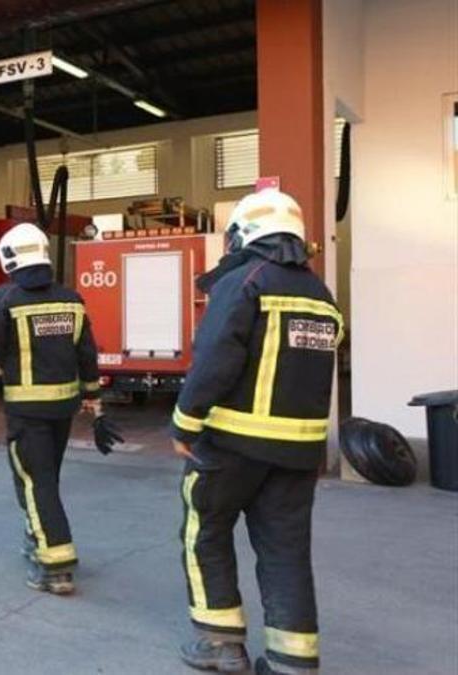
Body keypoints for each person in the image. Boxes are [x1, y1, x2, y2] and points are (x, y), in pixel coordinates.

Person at [170, 188, 342, 674]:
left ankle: (220, 643)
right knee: (286, 549)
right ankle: (294, 659)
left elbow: (215, 358)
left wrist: (184, 421)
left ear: (244, 233)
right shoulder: (321, 295)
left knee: (204, 532)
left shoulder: (245, 280)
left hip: (230, 445)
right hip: (299, 453)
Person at [0, 222, 122, 595]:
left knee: (35, 480)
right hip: (63, 409)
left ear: (11, 258)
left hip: (27, 412)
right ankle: (38, 535)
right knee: (45, 477)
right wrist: (94, 398)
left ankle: (55, 565)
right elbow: (87, 354)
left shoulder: (5, 300)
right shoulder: (71, 300)